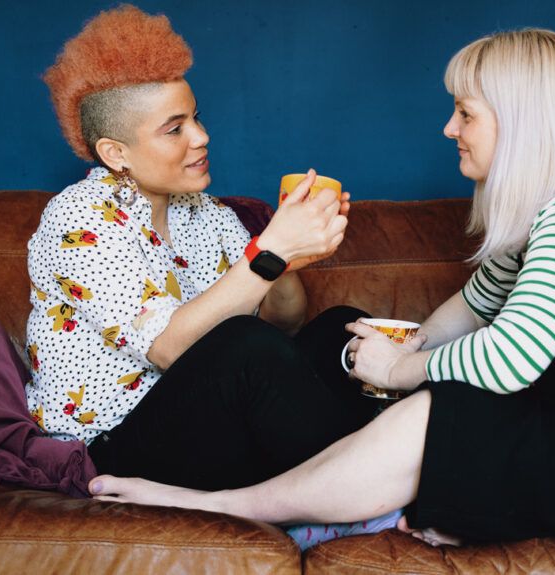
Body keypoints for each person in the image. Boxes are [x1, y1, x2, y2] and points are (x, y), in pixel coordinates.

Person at [88, 28, 555, 547]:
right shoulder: (545, 215)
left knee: (440, 410)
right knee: (343, 326)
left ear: (522, 126)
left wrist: (403, 367)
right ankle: (363, 485)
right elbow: (473, 307)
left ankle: (230, 503)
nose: (448, 128)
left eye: (465, 113)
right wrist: (396, 342)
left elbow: (507, 361)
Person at [27, 5, 382, 499]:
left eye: (196, 117)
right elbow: (173, 348)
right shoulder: (78, 220)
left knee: (341, 327)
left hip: (207, 423)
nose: (201, 137)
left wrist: (283, 260)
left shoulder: (206, 213)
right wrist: (268, 253)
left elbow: (286, 322)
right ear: (116, 153)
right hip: (115, 446)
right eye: (174, 129)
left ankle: (381, 464)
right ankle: (367, 489)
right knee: (242, 344)